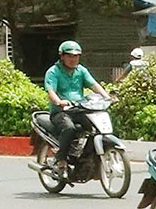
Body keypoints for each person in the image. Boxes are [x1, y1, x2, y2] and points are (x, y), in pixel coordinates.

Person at [44, 41, 110, 173]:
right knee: (69, 128)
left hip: (79, 109)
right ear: (62, 57)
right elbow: (51, 91)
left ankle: (86, 157)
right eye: (69, 56)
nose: (73, 59)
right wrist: (59, 101)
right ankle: (61, 159)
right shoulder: (53, 72)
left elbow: (94, 85)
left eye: (76, 56)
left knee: (96, 127)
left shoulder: (81, 70)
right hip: (61, 112)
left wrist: (107, 97)